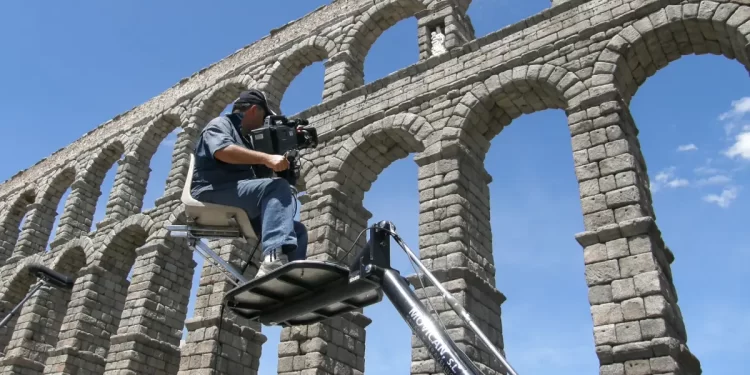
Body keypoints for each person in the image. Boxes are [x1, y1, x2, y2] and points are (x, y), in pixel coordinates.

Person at [190, 89, 308, 277]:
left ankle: (289, 278)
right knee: (275, 188)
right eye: (264, 119)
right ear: (254, 110)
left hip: (238, 196)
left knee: (297, 231)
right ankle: (272, 261)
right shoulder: (220, 124)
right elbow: (223, 151)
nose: (263, 125)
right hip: (211, 191)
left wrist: (285, 157)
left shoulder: (248, 141)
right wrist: (266, 158)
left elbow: (267, 180)